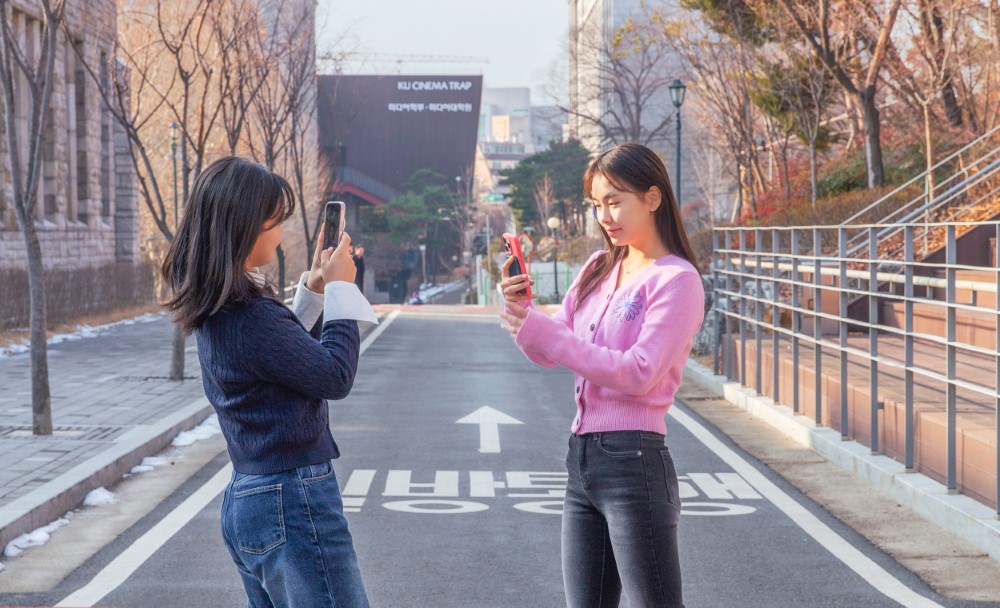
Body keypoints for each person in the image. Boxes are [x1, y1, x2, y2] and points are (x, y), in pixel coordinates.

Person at [161, 156, 377, 608]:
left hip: (250, 496)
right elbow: (333, 375)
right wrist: (341, 291)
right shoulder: (250, 313)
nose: (279, 233)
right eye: (274, 221)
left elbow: (281, 355)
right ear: (245, 227)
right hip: (293, 497)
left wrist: (316, 288)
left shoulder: (220, 306)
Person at [499, 143, 704, 608]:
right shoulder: (597, 266)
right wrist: (522, 310)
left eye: (615, 200)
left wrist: (545, 334)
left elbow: (640, 373)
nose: (604, 215)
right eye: (596, 204)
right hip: (582, 459)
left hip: (635, 461)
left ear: (653, 198)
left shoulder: (676, 280)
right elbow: (551, 349)